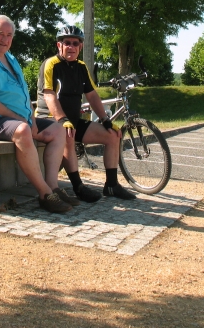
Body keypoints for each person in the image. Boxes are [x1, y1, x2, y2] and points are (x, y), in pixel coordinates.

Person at [0, 15, 77, 213]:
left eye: (9, 35)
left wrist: (31, 118)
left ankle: (53, 187)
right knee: (22, 130)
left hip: (16, 119)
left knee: (58, 130)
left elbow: (23, 93)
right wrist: (20, 120)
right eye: (0, 34)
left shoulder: (11, 59)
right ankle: (44, 194)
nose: (5, 39)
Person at [36, 25, 136, 202]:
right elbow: (49, 95)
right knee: (67, 133)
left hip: (73, 120)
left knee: (112, 135)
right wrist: (62, 119)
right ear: (59, 45)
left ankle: (111, 185)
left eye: (76, 43)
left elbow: (92, 95)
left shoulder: (81, 67)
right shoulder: (50, 64)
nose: (71, 47)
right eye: (67, 43)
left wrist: (106, 121)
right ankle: (78, 186)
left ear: (80, 47)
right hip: (49, 119)